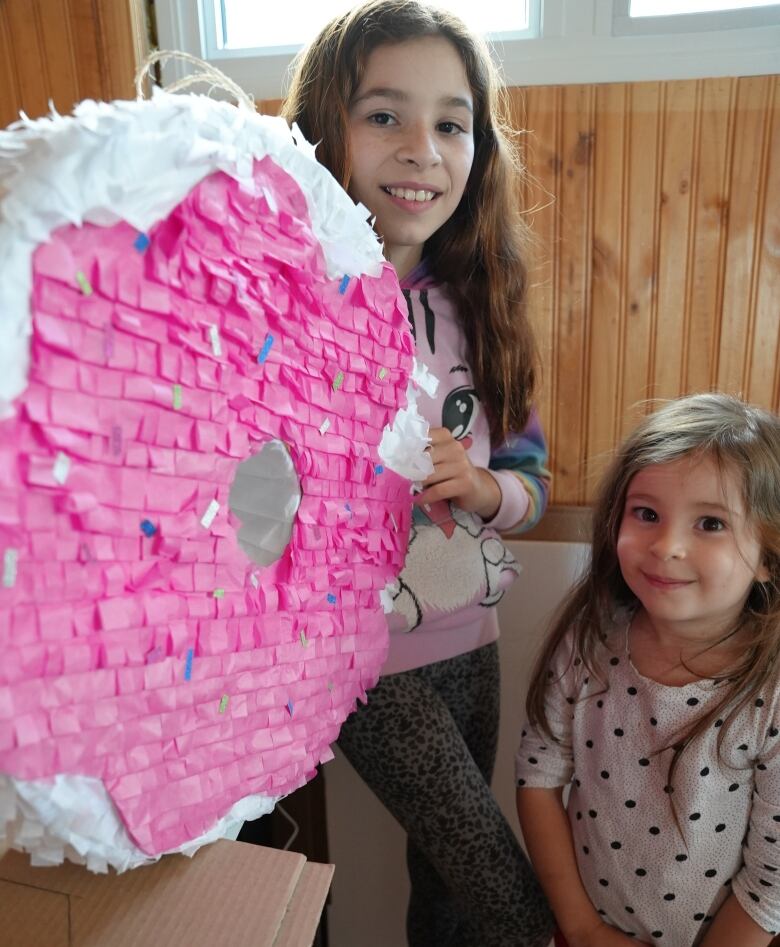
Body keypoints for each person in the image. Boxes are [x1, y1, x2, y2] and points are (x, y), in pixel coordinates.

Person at [282, 2, 554, 944]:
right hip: (359, 656)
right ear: (325, 125)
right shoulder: (290, 301)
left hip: (469, 635)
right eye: (383, 115)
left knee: (447, 888)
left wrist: (489, 492)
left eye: (450, 123)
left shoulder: (480, 303)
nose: (420, 149)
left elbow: (531, 473)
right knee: (503, 893)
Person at [516, 393, 780, 947]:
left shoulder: (772, 692)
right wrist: (584, 930)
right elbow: (538, 779)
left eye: (710, 523)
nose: (668, 546)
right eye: (646, 514)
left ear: (767, 557)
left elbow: (770, 887)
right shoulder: (589, 639)